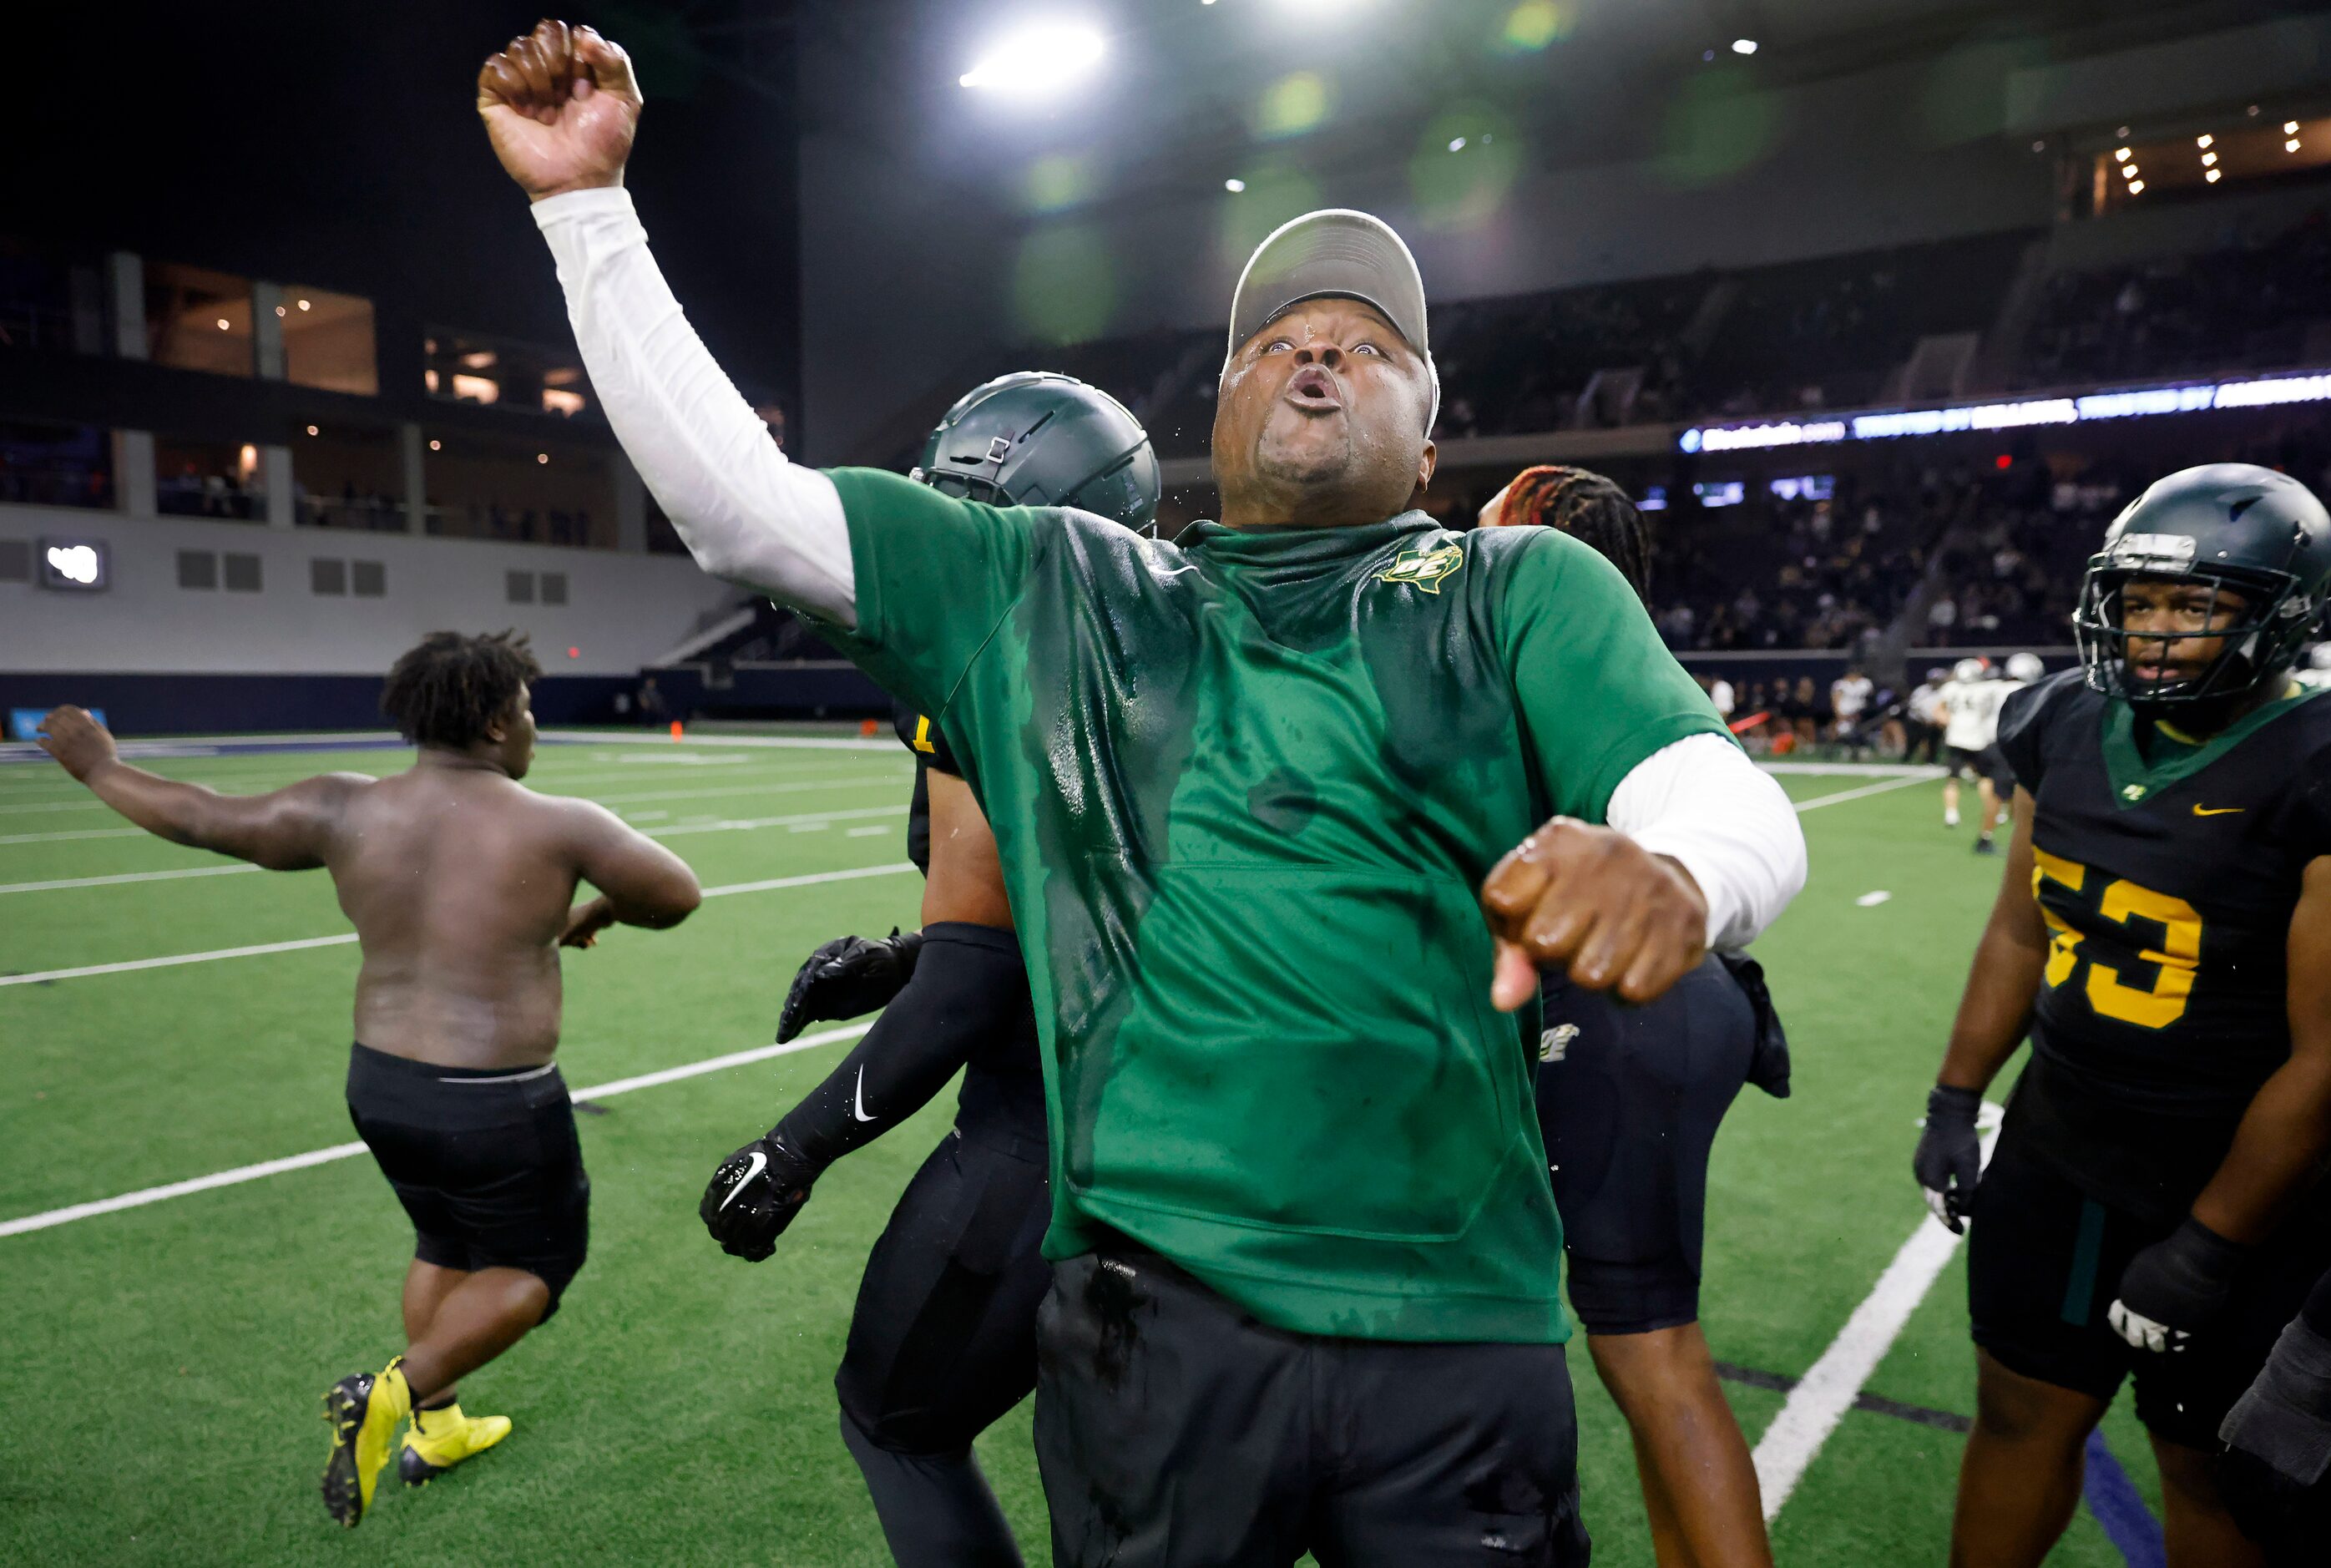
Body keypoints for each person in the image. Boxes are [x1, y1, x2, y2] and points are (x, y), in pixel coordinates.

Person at [480, 25, 1807, 1562]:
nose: (1318, 351)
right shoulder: (1059, 582)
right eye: (1276, 341)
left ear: (1429, 443)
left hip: (1457, 1321)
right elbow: (739, 511)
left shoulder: (1515, 584)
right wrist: (587, 211)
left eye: (1368, 346)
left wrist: (1680, 875)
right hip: (1150, 1314)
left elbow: (1711, 788)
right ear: (1220, 413)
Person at [33, 633, 703, 1529]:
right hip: (496, 1099)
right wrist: (603, 907)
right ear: (501, 721)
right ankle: (394, 1392)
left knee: (444, 1242)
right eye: (530, 711)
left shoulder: (342, 806)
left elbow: (197, 815)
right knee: (534, 1264)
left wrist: (98, 768)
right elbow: (676, 893)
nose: (533, 728)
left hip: (383, 1085)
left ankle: (439, 1425)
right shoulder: (558, 822)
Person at [700, 371, 1160, 1568]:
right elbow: (1074, 915)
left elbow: (980, 980)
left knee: (896, 1419)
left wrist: (793, 1147)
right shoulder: (1191, 646)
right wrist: (908, 953)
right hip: (1202, 1149)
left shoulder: (996, 670)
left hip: (1047, 1143)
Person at [1910, 463, 2331, 1567]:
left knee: (2207, 1463)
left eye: (2194, 606)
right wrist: (1956, 1096)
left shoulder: (2313, 762)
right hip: (2061, 1148)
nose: (2151, 631)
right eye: (2138, 600)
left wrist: (2207, 1244)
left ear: (2279, 616)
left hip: (2240, 1179)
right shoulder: (2063, 718)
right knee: (2015, 1414)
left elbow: (2328, 1057)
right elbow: (2019, 930)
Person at [1483, 467, 1787, 1568]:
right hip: (1679, 1003)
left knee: (1651, 1355)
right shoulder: (1620, 653)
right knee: (1646, 1347)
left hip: (1621, 1009)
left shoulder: (1520, 640)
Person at [1939, 655, 2013, 849]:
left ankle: (1951, 813)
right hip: (1977, 740)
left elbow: (1938, 711)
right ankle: (1995, 811)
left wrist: (1951, 722)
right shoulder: (1985, 689)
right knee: (1986, 779)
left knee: (1952, 780)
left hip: (1954, 738)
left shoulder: (1950, 688)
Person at [1907, 665, 1948, 765]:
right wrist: (1924, 719)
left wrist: (1939, 720)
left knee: (1934, 742)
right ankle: (1906, 758)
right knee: (1913, 740)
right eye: (1933, 680)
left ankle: (1931, 760)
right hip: (1919, 721)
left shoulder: (1946, 691)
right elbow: (1914, 706)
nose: (1935, 682)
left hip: (1935, 723)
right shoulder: (1921, 690)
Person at [1831, 665, 1873, 759]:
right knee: (1843, 730)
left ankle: (1863, 749)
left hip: (1861, 714)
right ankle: (1848, 748)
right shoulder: (1840, 684)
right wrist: (1840, 716)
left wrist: (1861, 713)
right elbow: (1835, 701)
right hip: (1845, 716)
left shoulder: (1865, 683)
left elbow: (1871, 700)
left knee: (1861, 727)